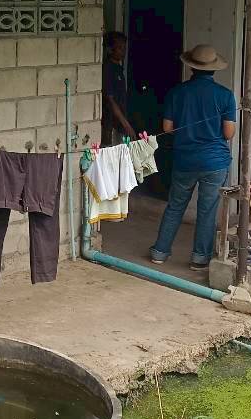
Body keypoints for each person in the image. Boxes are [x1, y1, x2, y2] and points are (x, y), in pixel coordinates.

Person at [150, 44, 238, 271]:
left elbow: (167, 128)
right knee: (207, 211)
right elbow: (228, 133)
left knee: (175, 206)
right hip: (214, 162)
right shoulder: (225, 95)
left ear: (191, 67)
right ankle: (199, 259)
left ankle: (160, 252)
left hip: (184, 160)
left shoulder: (177, 93)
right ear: (214, 69)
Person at [102, 31, 135, 145]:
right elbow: (110, 100)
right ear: (110, 49)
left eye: (124, 48)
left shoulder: (118, 69)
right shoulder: (108, 69)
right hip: (111, 125)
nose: (123, 51)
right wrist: (126, 125)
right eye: (120, 48)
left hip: (119, 125)